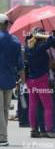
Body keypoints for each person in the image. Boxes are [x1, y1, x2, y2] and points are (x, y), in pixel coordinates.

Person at [25, 28, 55, 138]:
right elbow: (54, 39)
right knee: (48, 106)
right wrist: (45, 35)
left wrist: (38, 35)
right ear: (40, 35)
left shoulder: (28, 47)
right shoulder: (41, 47)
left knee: (33, 105)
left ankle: (33, 130)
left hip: (30, 80)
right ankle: (49, 130)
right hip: (42, 80)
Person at [0, 14, 25, 146]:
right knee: (4, 110)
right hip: (10, 79)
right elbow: (20, 64)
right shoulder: (15, 41)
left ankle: (2, 137)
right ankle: (3, 136)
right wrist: (23, 79)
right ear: (7, 24)